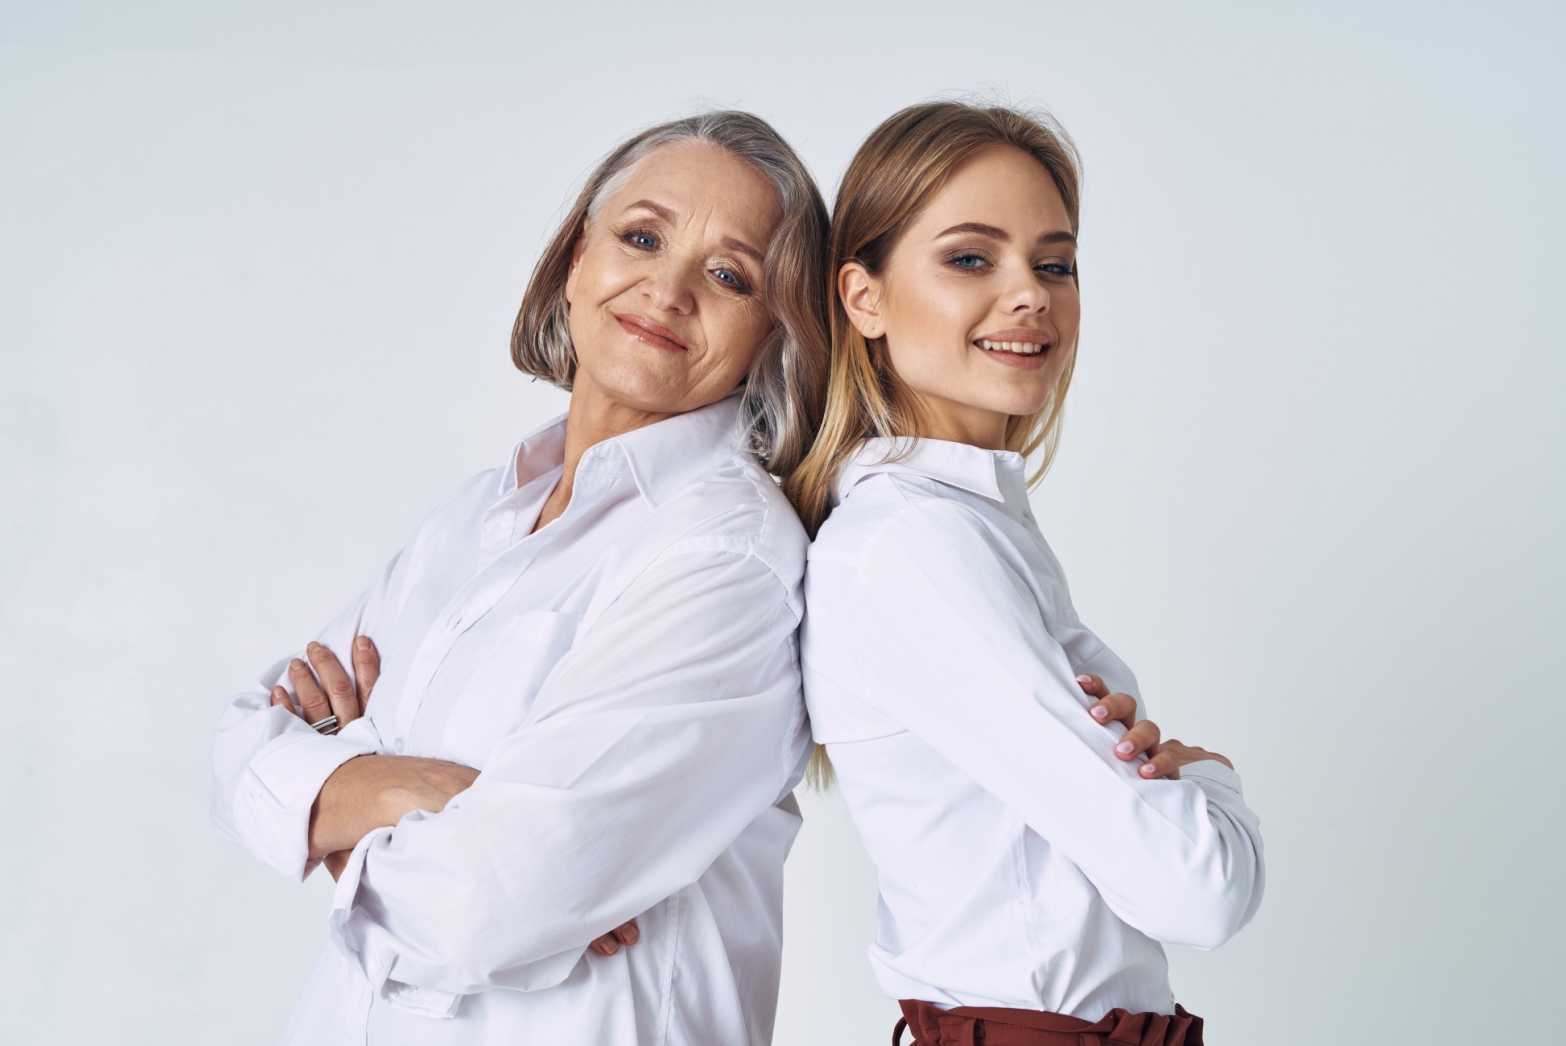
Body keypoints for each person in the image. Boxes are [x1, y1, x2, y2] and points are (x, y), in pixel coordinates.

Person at [210, 110, 829, 1046]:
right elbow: (238, 750)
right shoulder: (474, 517)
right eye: (642, 237)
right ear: (578, 258)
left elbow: (481, 907)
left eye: (730, 274)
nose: (666, 288)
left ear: (773, 334)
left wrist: (331, 809)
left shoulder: (726, 559)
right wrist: (406, 788)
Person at [785, 101, 1265, 1045]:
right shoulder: (914, 547)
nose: (1031, 295)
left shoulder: (966, 526)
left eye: (1055, 263)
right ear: (863, 297)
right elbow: (1199, 889)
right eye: (972, 258)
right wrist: (1211, 784)